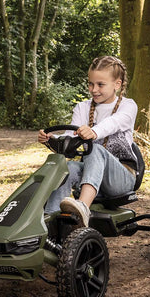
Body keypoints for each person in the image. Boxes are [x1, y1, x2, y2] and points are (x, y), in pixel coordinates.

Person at [38, 55, 138, 227]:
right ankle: (49, 221)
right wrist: (52, 139)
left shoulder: (128, 106)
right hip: (90, 173)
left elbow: (113, 123)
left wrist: (93, 132)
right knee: (67, 167)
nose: (94, 89)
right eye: (91, 84)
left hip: (121, 178)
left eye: (100, 84)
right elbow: (71, 138)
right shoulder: (82, 107)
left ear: (117, 84)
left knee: (96, 149)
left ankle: (83, 206)